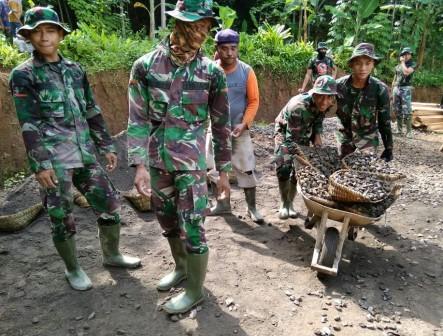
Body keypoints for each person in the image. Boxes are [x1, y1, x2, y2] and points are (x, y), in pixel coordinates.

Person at [9, 7, 141, 292]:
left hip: (84, 153)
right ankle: (73, 268)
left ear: (60, 34)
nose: (44, 36)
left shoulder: (75, 69)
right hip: (54, 160)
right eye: (37, 31)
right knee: (61, 215)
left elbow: (91, 110)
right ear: (29, 36)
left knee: (109, 204)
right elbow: (28, 123)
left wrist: (105, 144)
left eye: (50, 30)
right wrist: (40, 164)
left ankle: (113, 255)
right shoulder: (24, 75)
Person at [127, 0, 231, 314]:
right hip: (158, 160)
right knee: (168, 220)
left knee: (194, 225)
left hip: (193, 163)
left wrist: (223, 170)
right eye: (195, 25)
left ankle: (195, 291)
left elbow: (222, 124)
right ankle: (182, 268)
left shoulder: (212, 72)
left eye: (205, 27)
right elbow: (137, 118)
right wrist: (139, 164)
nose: (201, 33)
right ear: (178, 23)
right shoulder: (145, 66)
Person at [206, 28, 263, 223]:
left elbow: (254, 100)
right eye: (224, 48)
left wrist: (244, 123)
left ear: (237, 48)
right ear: (217, 49)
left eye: (233, 48)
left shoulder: (246, 71)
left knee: (246, 168)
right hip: (214, 130)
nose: (229, 53)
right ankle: (222, 205)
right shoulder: (210, 71)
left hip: (239, 130)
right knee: (213, 168)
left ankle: (252, 208)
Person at [274, 75, 337, 219]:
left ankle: (290, 202)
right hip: (285, 130)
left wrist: (318, 139)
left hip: (305, 126)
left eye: (329, 97)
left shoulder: (327, 103)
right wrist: (306, 158)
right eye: (320, 96)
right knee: (284, 166)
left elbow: (318, 120)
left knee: (300, 169)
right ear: (314, 93)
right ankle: (284, 203)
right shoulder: (299, 107)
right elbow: (292, 143)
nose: (324, 101)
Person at [335, 43, 393, 161]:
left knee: (367, 167)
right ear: (351, 64)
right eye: (358, 63)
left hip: (368, 136)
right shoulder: (338, 86)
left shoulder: (380, 89)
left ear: (373, 65)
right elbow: (320, 106)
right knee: (342, 167)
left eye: (368, 63)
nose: (363, 68)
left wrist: (389, 147)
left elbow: (384, 121)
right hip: (345, 134)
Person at [392, 47, 416, 138]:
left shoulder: (412, 64)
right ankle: (399, 130)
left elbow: (406, 72)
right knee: (397, 110)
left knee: (407, 111)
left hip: (406, 88)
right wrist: (392, 90)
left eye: (407, 54)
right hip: (396, 89)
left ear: (410, 55)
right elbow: (395, 78)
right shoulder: (398, 66)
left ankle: (409, 132)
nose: (405, 56)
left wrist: (402, 62)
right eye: (404, 54)